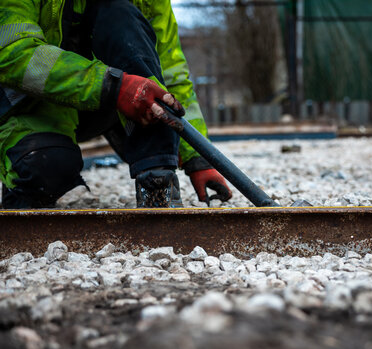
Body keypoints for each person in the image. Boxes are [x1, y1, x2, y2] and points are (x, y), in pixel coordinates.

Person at [0, 0, 232, 208]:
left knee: (118, 12)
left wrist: (198, 158)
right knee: (46, 169)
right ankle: (25, 168)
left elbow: (171, 75)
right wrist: (111, 86)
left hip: (110, 101)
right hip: (30, 106)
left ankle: (156, 182)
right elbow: (12, 53)